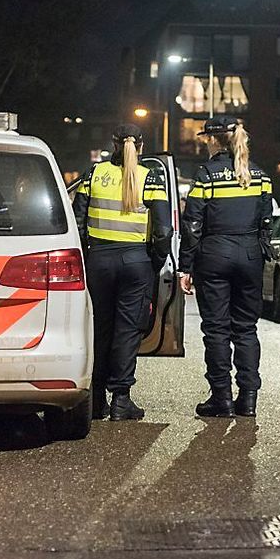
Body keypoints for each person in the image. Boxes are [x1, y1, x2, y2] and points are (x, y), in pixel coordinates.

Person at [72, 124, 172, 421]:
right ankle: (121, 400)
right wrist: (154, 262)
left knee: (99, 329)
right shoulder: (149, 178)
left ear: (113, 143)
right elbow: (164, 231)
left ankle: (97, 399)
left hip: (99, 262)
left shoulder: (94, 174)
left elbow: (78, 221)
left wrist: (86, 257)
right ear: (140, 146)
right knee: (127, 331)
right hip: (136, 262)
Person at [178, 117, 274, 418]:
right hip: (249, 256)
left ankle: (221, 398)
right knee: (246, 329)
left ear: (214, 140)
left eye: (207, 139)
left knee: (217, 330)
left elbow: (192, 222)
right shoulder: (259, 174)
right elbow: (266, 219)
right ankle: (248, 399)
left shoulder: (207, 175)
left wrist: (185, 267)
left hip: (215, 255)